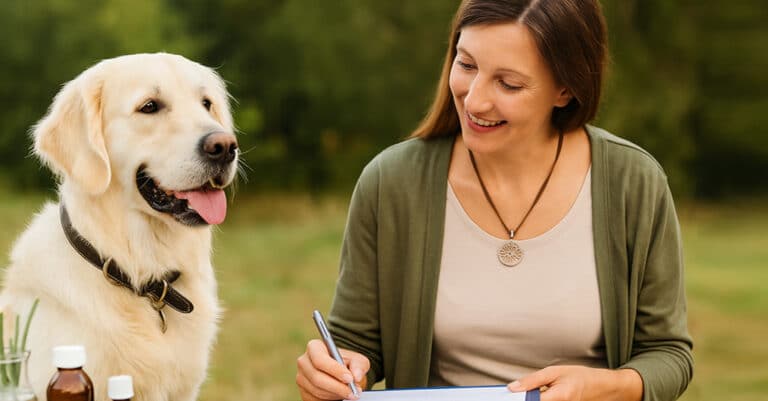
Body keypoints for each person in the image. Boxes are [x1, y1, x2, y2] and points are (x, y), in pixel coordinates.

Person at [296, 0, 693, 400]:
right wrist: (334, 370)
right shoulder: (390, 182)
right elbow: (356, 344)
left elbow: (668, 354)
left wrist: (609, 385)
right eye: (467, 65)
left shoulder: (633, 182)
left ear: (565, 89)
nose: (474, 101)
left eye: (508, 83)